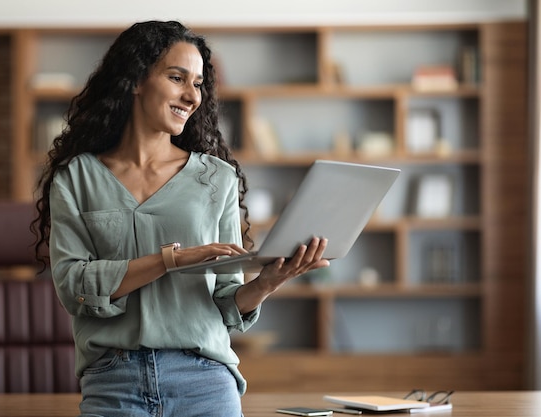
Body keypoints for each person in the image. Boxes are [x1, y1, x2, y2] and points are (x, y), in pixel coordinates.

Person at [32, 20, 330, 417]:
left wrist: (268, 283)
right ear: (136, 80)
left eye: (199, 84)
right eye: (177, 78)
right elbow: (73, 287)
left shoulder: (216, 178)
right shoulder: (77, 177)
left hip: (204, 381)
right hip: (114, 382)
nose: (192, 96)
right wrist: (171, 260)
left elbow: (226, 304)